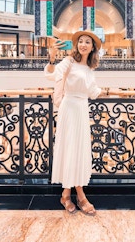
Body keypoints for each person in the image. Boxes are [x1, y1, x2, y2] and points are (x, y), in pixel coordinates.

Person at [45, 30, 112, 216]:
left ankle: (66, 194)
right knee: (69, 149)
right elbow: (51, 75)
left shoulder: (90, 68)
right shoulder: (69, 62)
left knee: (79, 150)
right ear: (77, 45)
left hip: (82, 108)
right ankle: (80, 195)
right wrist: (51, 59)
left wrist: (111, 91)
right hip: (69, 108)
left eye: (87, 42)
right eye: (80, 41)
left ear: (92, 48)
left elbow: (92, 91)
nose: (83, 44)